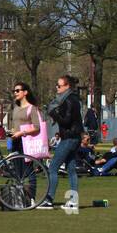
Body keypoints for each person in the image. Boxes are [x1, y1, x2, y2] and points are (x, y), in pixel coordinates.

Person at [41, 74, 84, 209]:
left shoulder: (68, 101)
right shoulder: (72, 99)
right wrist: (61, 131)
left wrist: (53, 113)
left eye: (59, 85)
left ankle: (49, 199)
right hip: (74, 137)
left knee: (52, 167)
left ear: (67, 86)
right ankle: (73, 201)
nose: (56, 87)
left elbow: (66, 121)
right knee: (71, 169)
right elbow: (71, 122)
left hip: (69, 139)